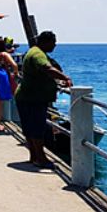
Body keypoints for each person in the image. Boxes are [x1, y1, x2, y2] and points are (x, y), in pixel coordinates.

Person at [15, 31, 73, 166]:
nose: (55, 45)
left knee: (29, 128)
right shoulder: (38, 54)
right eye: (53, 42)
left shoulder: (33, 51)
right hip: (33, 98)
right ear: (46, 42)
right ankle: (41, 158)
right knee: (37, 128)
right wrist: (66, 78)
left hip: (26, 96)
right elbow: (46, 68)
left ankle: (34, 156)